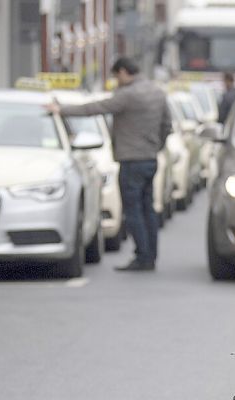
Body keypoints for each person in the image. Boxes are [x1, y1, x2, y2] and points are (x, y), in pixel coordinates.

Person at [49, 57, 172, 271]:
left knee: (133, 209)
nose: (116, 81)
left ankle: (143, 256)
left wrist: (61, 109)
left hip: (131, 160)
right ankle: (151, 254)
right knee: (148, 208)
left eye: (116, 76)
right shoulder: (157, 92)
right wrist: (155, 147)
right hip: (149, 159)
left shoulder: (128, 95)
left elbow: (96, 108)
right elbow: (167, 125)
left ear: (124, 72)